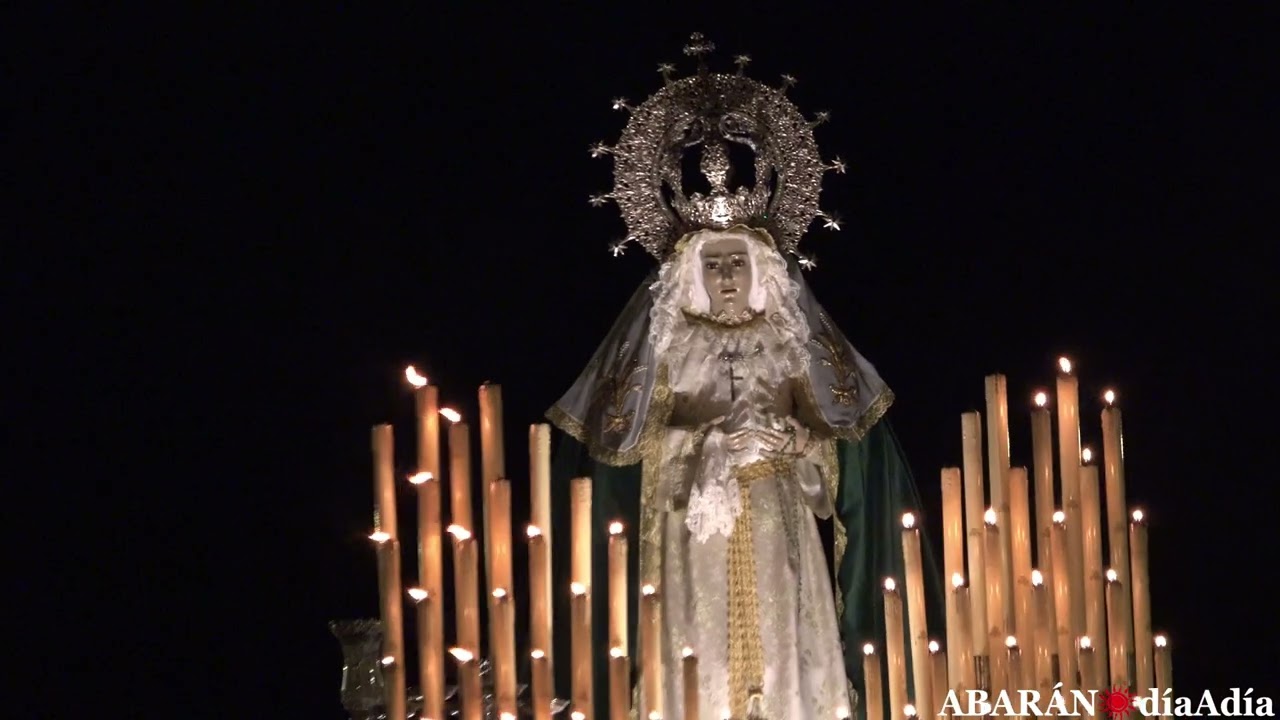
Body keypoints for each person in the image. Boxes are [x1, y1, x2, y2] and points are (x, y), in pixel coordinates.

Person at [546, 34, 944, 719]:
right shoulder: (664, 349)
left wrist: (790, 442)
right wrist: (702, 448)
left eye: (736, 262)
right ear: (690, 275)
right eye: (713, 264)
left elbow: (847, 454)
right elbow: (618, 456)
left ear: (762, 270)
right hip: (689, 530)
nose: (726, 276)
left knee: (790, 657)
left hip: (776, 520)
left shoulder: (792, 343)